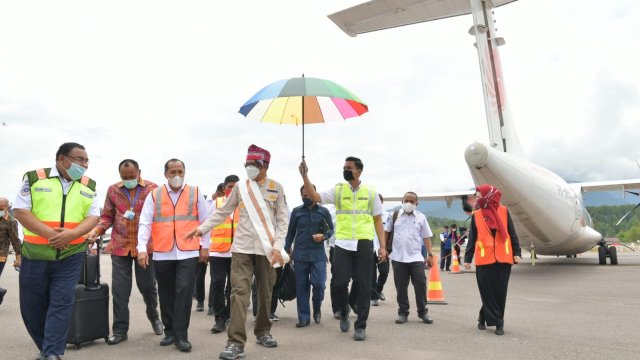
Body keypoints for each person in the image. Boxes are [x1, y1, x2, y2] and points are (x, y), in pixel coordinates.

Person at [186, 145, 289, 360]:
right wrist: (202, 228)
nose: (250, 168)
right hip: (242, 248)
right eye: (247, 164)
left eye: (254, 164)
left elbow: (282, 221)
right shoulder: (241, 188)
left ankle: (263, 331)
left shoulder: (276, 188)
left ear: (265, 165)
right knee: (238, 294)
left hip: (267, 250)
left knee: (264, 293)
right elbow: (223, 211)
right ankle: (235, 342)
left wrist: (278, 248)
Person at [13, 142, 100, 360]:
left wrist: (70, 235)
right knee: (32, 306)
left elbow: (93, 216)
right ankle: (46, 347)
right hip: (36, 254)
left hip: (72, 255)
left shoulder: (89, 185)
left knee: (61, 303)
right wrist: (54, 235)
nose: (84, 165)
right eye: (79, 159)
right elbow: (21, 211)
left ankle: (52, 353)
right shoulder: (34, 178)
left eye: (86, 160)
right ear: (61, 159)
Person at [299, 156, 387, 341]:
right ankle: (344, 310)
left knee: (364, 286)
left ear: (359, 171)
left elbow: (378, 220)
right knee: (339, 283)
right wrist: (305, 177)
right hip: (343, 244)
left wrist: (383, 247)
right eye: (344, 167)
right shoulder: (338, 190)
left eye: (348, 167)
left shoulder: (371, 192)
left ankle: (361, 326)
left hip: (364, 243)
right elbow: (315, 197)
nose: (345, 170)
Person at [86, 159, 163, 345]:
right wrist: (96, 231)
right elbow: (107, 216)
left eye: (132, 176)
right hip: (119, 246)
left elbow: (160, 216)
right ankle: (120, 331)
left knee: (148, 288)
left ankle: (154, 317)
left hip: (145, 247)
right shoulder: (113, 190)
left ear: (139, 172)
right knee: (120, 291)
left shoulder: (153, 189)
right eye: (124, 177)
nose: (129, 180)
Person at [136, 159, 210, 352]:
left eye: (180, 171)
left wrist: (205, 246)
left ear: (185, 172)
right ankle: (169, 331)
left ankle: (181, 335)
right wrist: (142, 248)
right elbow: (145, 222)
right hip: (163, 252)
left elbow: (205, 222)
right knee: (166, 293)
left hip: (189, 251)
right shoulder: (155, 195)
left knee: (184, 292)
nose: (177, 175)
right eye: (172, 172)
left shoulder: (195, 192)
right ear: (165, 174)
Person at [464, 185, 521, 336]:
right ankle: (487, 317)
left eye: (478, 196)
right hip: (484, 259)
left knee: (499, 293)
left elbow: (511, 233)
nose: (476, 199)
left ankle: (498, 322)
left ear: (488, 196)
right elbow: (472, 238)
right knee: (487, 293)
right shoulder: (476, 215)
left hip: (503, 259)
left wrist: (517, 252)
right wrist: (468, 258)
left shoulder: (504, 211)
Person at [284, 185, 334, 327]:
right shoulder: (296, 212)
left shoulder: (323, 211)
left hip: (318, 255)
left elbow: (331, 230)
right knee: (301, 287)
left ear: (314, 194)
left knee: (319, 285)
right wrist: (287, 249)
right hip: (300, 255)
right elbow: (291, 232)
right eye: (303, 196)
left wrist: (323, 236)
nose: (305, 198)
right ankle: (303, 318)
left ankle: (317, 308)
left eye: (308, 195)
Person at [385, 192, 435, 324]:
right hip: (398, 257)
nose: (408, 203)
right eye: (406, 200)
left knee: (420, 284)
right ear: (402, 201)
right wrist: (383, 248)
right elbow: (386, 232)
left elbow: (426, 237)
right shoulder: (394, 215)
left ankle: (423, 312)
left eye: (412, 201)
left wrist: (430, 254)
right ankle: (403, 312)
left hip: (416, 257)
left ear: (416, 204)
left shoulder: (421, 217)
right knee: (401, 286)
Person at [209, 175, 239, 333]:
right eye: (229, 187)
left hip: (238, 252)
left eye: (235, 187)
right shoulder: (217, 203)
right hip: (218, 252)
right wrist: (204, 247)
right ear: (224, 188)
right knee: (218, 283)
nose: (232, 190)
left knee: (234, 287)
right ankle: (219, 318)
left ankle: (229, 315)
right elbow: (207, 224)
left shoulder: (245, 206)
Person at [196, 183, 225, 313]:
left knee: (215, 277)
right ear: (219, 193)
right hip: (202, 244)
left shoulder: (222, 204)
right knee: (199, 275)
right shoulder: (207, 203)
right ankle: (200, 301)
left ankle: (212, 305)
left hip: (217, 245)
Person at [0, 197, 21, 305]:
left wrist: (18, 257)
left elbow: (15, 240)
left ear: (7, 207)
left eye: (1, 208)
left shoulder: (11, 221)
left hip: (1, 255)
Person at [370, 194, 390, 306]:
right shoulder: (367, 215)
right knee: (371, 274)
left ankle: (378, 289)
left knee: (384, 272)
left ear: (381, 202)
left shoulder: (387, 216)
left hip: (383, 249)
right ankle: (373, 297)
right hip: (369, 248)